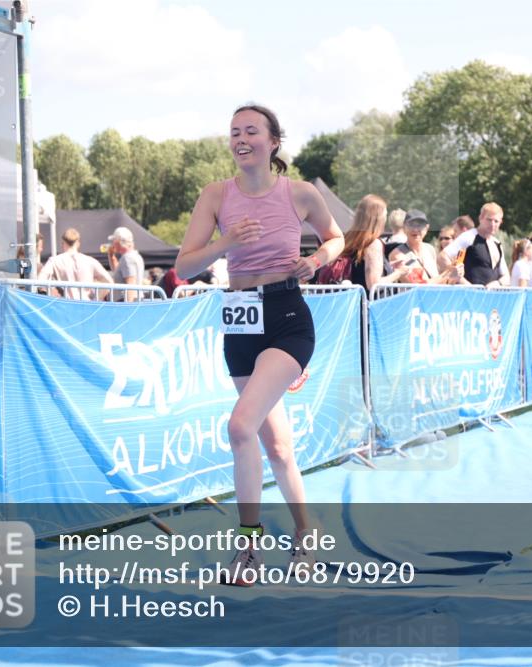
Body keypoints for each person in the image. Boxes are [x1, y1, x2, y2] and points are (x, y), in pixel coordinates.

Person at [174, 104, 344, 584]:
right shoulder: (214, 195)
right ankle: (306, 533)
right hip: (240, 321)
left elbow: (336, 240)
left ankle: (248, 549)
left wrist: (317, 260)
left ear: (273, 142)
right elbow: (184, 267)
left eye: (251, 131)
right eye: (234, 132)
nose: (241, 138)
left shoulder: (301, 193)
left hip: (287, 316)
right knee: (278, 447)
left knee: (239, 426)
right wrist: (226, 243)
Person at [331, 194, 409, 291]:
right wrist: (398, 273)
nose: (385, 219)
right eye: (385, 215)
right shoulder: (373, 244)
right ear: (377, 219)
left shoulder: (350, 239)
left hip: (353, 301)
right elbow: (373, 285)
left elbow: (359, 269)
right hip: (370, 303)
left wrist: (388, 266)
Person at [438, 203, 509, 287]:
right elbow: (442, 257)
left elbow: (506, 277)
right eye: (489, 220)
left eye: (496, 221)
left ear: (501, 222)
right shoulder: (469, 237)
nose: (492, 224)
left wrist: (497, 283)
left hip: (491, 297)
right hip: (468, 296)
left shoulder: (497, 244)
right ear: (481, 218)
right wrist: (464, 282)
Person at [388, 209, 464, 284]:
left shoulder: (430, 249)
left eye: (420, 225)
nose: (415, 229)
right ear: (404, 227)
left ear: (426, 228)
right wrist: (447, 273)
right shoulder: (397, 255)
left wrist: (454, 276)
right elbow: (418, 286)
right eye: (411, 225)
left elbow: (439, 283)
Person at [38, 228, 115, 300]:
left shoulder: (54, 261)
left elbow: (40, 281)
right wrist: (96, 299)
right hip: (85, 304)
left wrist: (52, 293)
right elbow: (109, 281)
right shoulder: (90, 261)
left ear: (63, 243)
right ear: (78, 243)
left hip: (65, 305)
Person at [107, 226, 146, 302]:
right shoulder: (135, 256)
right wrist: (111, 255)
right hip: (134, 300)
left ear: (118, 241)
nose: (112, 244)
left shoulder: (127, 258)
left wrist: (128, 308)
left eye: (114, 241)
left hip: (127, 301)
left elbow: (131, 284)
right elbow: (118, 271)